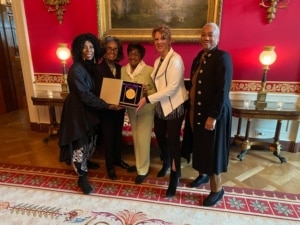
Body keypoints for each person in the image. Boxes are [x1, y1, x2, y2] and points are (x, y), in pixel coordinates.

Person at [58, 33, 122, 195]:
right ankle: (82, 176)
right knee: (80, 142)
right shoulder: (75, 70)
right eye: (85, 47)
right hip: (76, 112)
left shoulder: (89, 66)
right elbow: (85, 95)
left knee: (90, 139)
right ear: (79, 50)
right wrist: (107, 105)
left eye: (91, 46)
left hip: (89, 110)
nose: (88, 50)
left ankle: (86, 161)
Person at [184, 22, 233, 206]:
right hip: (197, 111)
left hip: (214, 114)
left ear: (217, 37)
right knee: (201, 145)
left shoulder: (223, 58)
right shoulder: (199, 57)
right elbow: (196, 85)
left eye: (210, 35)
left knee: (213, 152)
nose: (206, 38)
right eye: (203, 34)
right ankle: (203, 175)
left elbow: (223, 90)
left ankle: (217, 190)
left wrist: (213, 116)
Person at [137, 25, 188, 197]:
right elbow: (159, 86)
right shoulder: (158, 61)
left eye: (162, 38)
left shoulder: (175, 60)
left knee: (173, 142)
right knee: (160, 136)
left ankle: (175, 176)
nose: (159, 42)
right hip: (160, 105)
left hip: (174, 105)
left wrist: (148, 98)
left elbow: (172, 88)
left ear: (169, 40)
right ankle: (166, 162)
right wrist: (147, 92)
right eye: (156, 39)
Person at [93, 36, 131, 180]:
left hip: (119, 109)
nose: (112, 52)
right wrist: (108, 105)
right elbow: (96, 91)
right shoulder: (97, 69)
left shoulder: (122, 69)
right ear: (104, 50)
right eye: (109, 48)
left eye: (115, 49)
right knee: (108, 138)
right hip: (106, 110)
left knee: (117, 136)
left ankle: (117, 159)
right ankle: (110, 166)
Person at [121, 43, 156, 184]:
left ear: (141, 56)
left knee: (143, 139)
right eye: (130, 53)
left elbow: (157, 91)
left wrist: (148, 93)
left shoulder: (150, 70)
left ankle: (143, 170)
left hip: (146, 110)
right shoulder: (123, 70)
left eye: (136, 54)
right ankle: (139, 164)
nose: (133, 56)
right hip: (131, 110)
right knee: (136, 138)